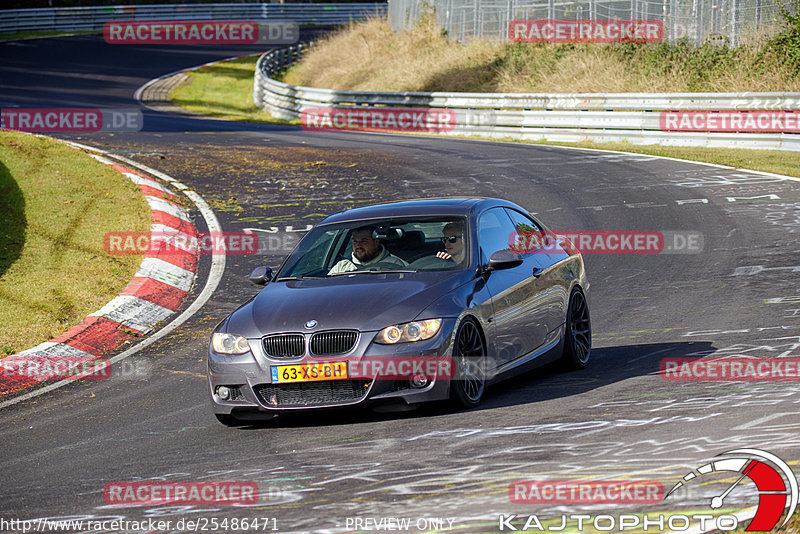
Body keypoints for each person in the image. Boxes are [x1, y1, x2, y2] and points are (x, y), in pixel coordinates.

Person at [328, 225, 408, 274]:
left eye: (364, 241)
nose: (358, 245)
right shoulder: (341, 267)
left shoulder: (394, 265)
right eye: (355, 241)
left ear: (376, 242)